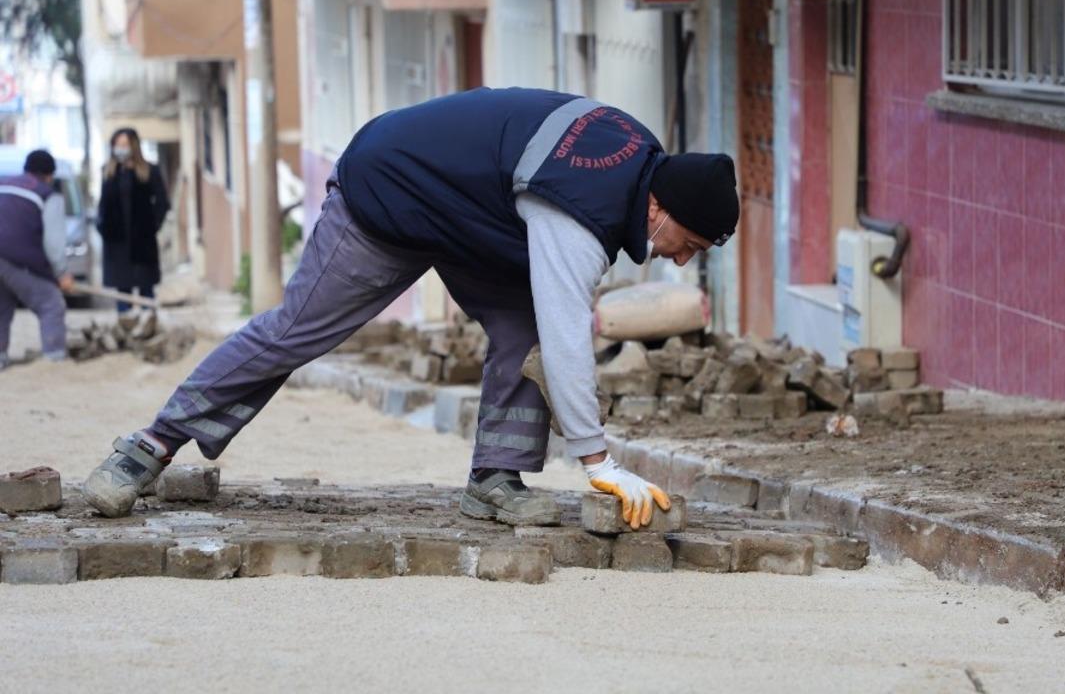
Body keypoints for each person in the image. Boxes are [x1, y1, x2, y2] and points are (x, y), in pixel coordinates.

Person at [82, 87, 739, 530]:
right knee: (296, 332)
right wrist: (601, 464)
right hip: (392, 189)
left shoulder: (642, 165)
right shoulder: (581, 204)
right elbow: (571, 338)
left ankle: (494, 480)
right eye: (692, 244)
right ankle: (147, 447)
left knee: (524, 329)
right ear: (662, 208)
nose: (683, 260)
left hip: (478, 214)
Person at [0, 149, 75, 370]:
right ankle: (54, 360)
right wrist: (62, 273)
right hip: (17, 259)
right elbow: (54, 243)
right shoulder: (48, 194)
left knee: (1, 307)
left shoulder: (4, 184)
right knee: (51, 304)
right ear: (49, 175)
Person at [97, 127, 169, 311]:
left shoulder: (149, 171)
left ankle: (148, 329)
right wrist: (103, 227)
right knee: (122, 293)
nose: (120, 149)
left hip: (142, 243)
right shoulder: (108, 172)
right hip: (117, 244)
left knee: (146, 291)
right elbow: (103, 206)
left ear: (133, 146)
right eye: (117, 145)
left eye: (124, 145)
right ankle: (125, 330)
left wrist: (152, 226)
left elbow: (162, 202)